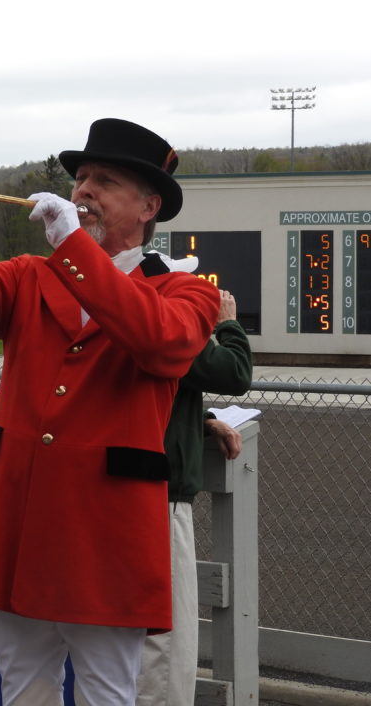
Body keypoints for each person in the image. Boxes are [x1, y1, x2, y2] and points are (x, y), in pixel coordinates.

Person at [0, 118, 221, 706]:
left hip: (107, 538)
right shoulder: (33, 277)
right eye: (80, 179)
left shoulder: (187, 291)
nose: (83, 192)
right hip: (18, 525)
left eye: (104, 181)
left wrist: (74, 247)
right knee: (23, 690)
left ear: (149, 205)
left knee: (108, 696)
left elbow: (159, 341)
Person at [137, 288, 253, 706]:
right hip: (158, 496)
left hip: (124, 487)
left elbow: (153, 389)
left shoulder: (117, 305)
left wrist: (202, 420)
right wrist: (227, 323)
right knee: (166, 643)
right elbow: (235, 373)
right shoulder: (164, 318)